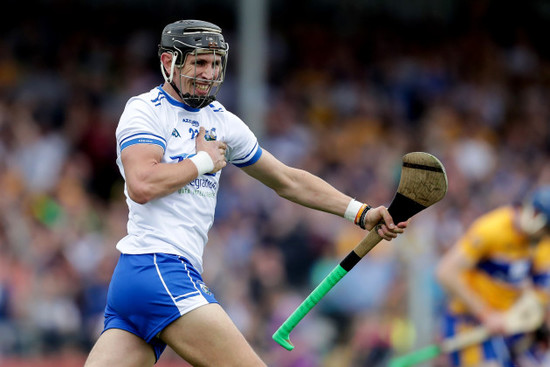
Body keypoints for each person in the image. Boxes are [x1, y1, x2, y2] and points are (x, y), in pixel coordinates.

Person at [84, 19, 408, 367]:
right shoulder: (145, 110)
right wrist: (202, 161)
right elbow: (142, 184)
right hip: (158, 268)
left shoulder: (223, 121)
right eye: (199, 63)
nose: (209, 73)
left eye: (216, 63)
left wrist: (360, 213)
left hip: (148, 280)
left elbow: (287, 180)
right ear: (168, 62)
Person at [436, 186, 550, 367]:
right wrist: (486, 314)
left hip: (510, 328)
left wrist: (535, 318)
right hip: (469, 323)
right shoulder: (491, 229)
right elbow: (446, 272)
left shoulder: (543, 242)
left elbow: (541, 290)